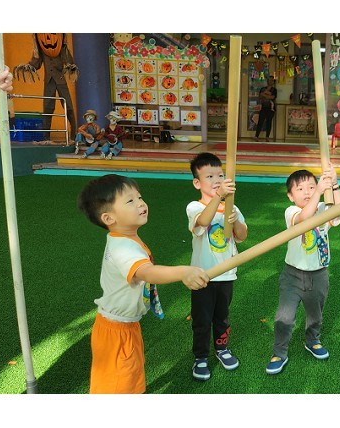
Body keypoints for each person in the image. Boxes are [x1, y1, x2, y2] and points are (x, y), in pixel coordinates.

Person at [77, 174, 209, 393]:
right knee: (119, 387)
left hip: (125, 326)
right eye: (130, 201)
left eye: (139, 197)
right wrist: (183, 272)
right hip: (117, 332)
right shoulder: (123, 248)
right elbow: (146, 272)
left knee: (129, 379)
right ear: (109, 218)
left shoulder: (126, 238)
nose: (140, 203)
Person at [266, 166, 340, 375]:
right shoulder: (291, 212)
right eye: (300, 189)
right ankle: (279, 352)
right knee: (284, 317)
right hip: (292, 275)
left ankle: (312, 340)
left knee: (315, 314)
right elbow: (304, 217)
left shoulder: (323, 208)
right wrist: (318, 191)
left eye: (311, 186)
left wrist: (334, 184)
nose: (307, 191)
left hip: (319, 274)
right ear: (291, 196)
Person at [186, 152, 248, 381]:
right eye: (209, 176)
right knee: (202, 319)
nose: (216, 180)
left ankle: (222, 349)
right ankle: (200, 357)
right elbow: (202, 222)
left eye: (220, 175)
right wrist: (220, 196)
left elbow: (242, 235)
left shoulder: (231, 206)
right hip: (203, 276)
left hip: (227, 275)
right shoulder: (195, 206)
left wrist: (235, 220)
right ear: (197, 183)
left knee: (222, 317)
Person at [254, 75, 277, 142]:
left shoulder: (274, 90)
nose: (270, 81)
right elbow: (260, 96)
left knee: (269, 122)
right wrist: (267, 94)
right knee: (260, 121)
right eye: (269, 80)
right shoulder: (263, 88)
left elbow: (272, 97)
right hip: (263, 107)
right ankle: (256, 136)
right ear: (267, 81)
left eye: (272, 80)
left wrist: (265, 95)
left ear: (273, 82)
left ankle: (267, 137)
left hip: (271, 108)